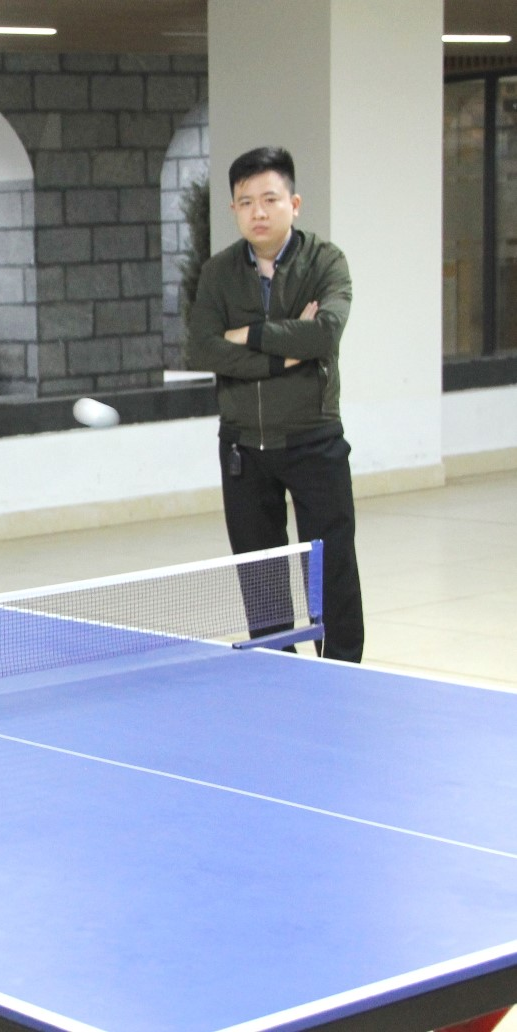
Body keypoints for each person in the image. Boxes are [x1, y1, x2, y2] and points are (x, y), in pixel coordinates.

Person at [184, 146, 363, 662]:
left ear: (294, 204)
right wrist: (283, 357)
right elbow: (203, 348)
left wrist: (249, 334)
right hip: (243, 448)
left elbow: (324, 334)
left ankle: (343, 669)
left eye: (269, 199)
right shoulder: (219, 273)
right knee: (260, 574)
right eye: (245, 203)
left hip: (314, 440)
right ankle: (277, 668)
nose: (258, 212)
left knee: (331, 568)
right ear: (233, 210)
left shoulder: (326, 262)